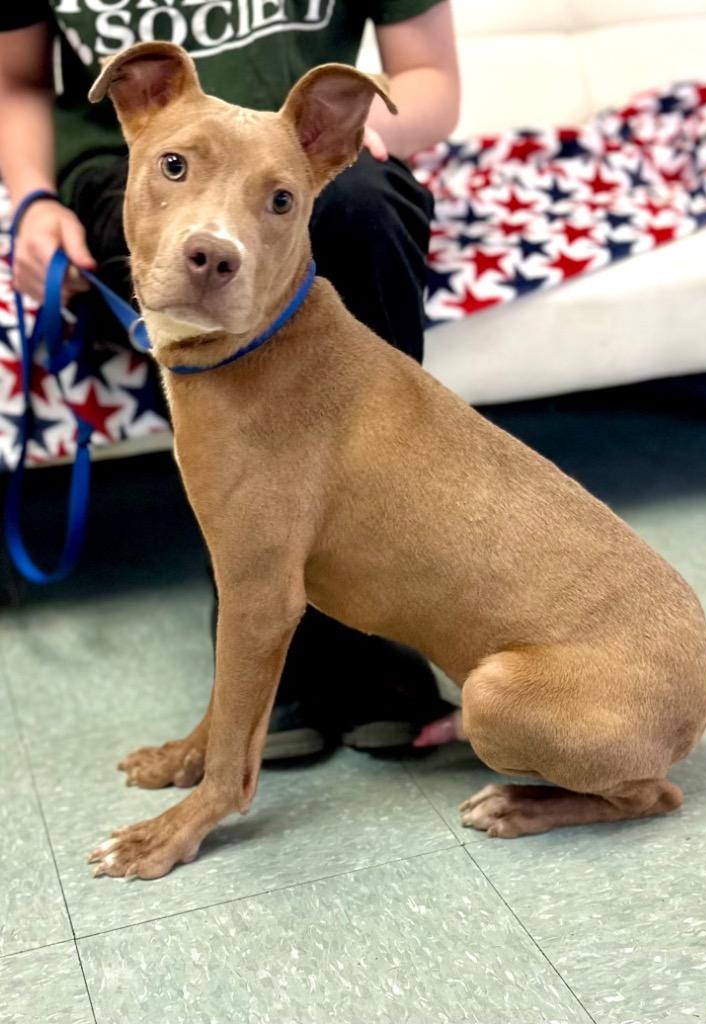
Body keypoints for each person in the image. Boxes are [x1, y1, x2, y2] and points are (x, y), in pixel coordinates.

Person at [0, 1, 461, 760]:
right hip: (132, 166)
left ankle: (372, 623)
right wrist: (32, 199)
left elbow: (431, 75)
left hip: (301, 165)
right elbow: (17, 79)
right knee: (178, 239)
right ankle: (263, 621)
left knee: (358, 212)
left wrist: (352, 144)